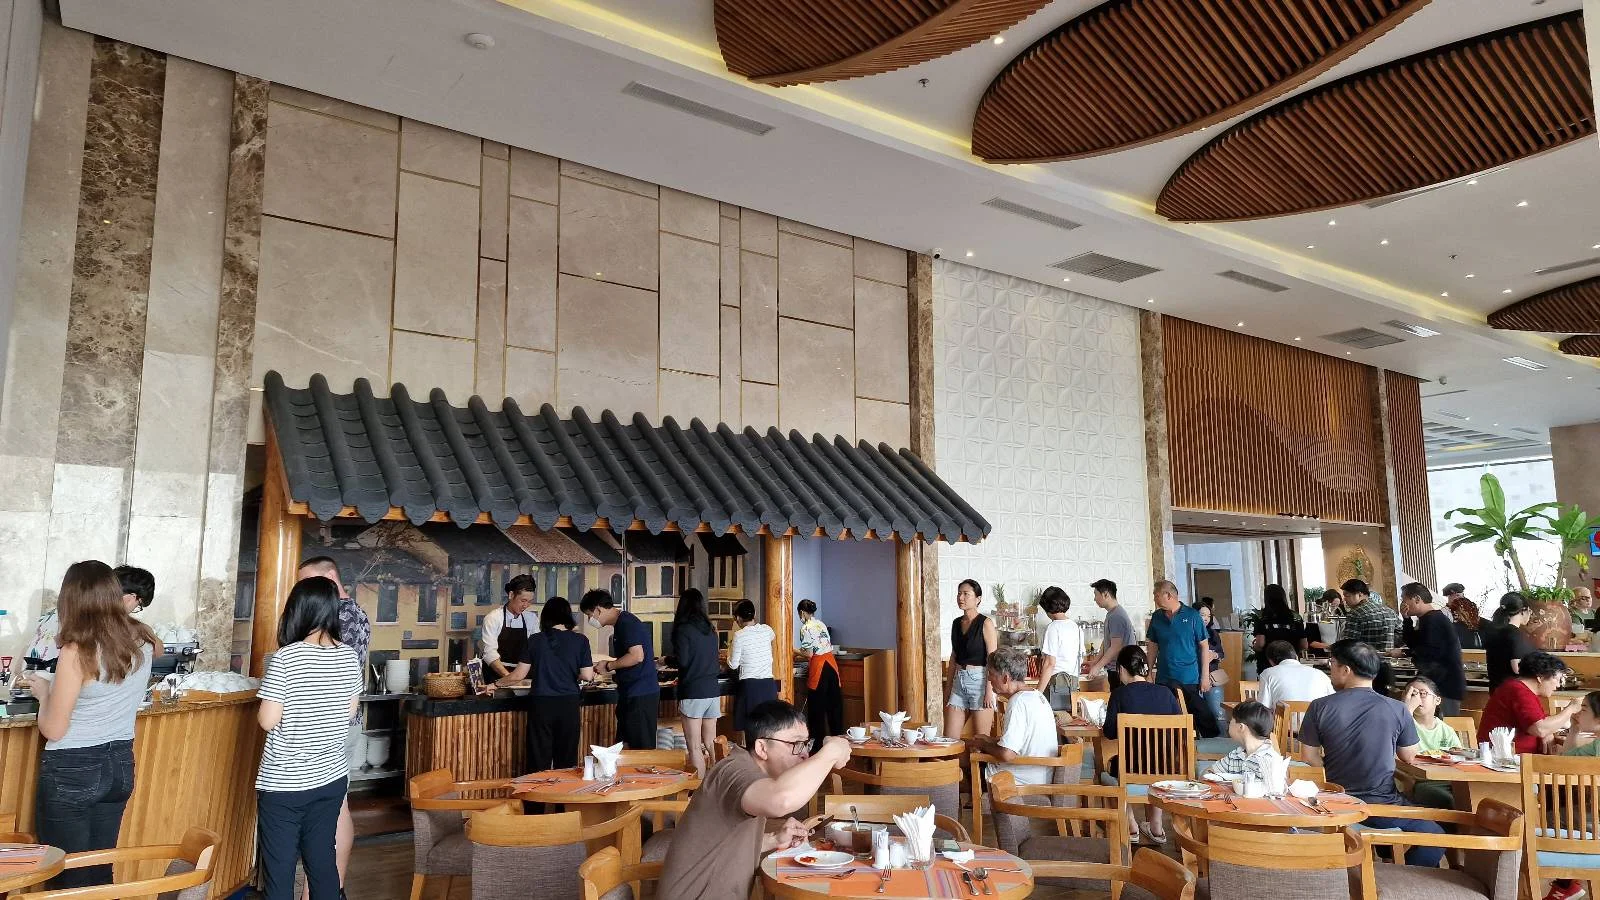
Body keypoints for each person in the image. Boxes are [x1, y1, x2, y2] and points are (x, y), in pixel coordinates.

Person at [19, 561, 157, 887]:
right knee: (99, 870)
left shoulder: (77, 649)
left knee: (66, 876)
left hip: (73, 768)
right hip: (120, 764)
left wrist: (43, 693)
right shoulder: (143, 641)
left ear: (71, 600)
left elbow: (54, 728)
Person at [657, 700, 852, 900]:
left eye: (806, 744)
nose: (804, 754)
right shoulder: (734, 770)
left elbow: (727, 845)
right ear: (762, 748)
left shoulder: (753, 772)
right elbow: (781, 800)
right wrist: (831, 752)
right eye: (795, 744)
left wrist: (774, 839)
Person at [254, 576, 363, 900]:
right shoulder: (347, 657)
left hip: (284, 784)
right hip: (330, 779)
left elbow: (267, 720)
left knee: (280, 870)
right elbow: (347, 713)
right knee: (322, 864)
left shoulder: (287, 658)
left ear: (297, 611)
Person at [1297, 639, 1445, 866]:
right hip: (1382, 805)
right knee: (1435, 833)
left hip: (1337, 805)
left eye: (1332, 664)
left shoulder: (1319, 706)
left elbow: (1309, 757)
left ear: (1346, 670)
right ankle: (1398, 879)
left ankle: (1381, 862)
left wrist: (1334, 780)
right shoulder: (1397, 709)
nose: (1330, 670)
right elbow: (1408, 756)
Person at [295, 556, 369, 896]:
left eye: (309, 582)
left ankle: (326, 888)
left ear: (330, 577)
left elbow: (335, 678)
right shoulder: (352, 613)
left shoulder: (343, 615)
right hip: (341, 722)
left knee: (331, 807)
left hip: (334, 724)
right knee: (334, 805)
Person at [493, 597, 593, 777]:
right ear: (568, 616)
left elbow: (518, 675)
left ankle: (535, 804)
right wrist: (570, 672)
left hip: (541, 705)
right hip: (568, 705)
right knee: (566, 760)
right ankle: (562, 804)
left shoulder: (535, 640)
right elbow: (587, 675)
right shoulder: (581, 641)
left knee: (538, 758)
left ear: (545, 617)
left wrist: (495, 684)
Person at [1102, 644, 1182, 844]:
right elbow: (1180, 730)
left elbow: (1110, 733)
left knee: (1114, 764)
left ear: (1121, 669)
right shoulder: (1166, 693)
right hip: (1167, 768)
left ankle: (1131, 825)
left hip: (1131, 768)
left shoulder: (1120, 694)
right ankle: (1156, 826)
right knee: (1156, 760)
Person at [23, 565, 154, 672]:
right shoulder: (98, 622)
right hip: (52, 691)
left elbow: (21, 664)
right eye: (139, 606)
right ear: (132, 597)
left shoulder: (50, 616)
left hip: (27, 686)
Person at [580, 589, 660, 749]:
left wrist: (609, 666)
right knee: (625, 747)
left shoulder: (626, 623)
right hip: (631, 693)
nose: (590, 619)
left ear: (598, 609)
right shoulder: (621, 624)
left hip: (640, 695)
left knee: (641, 750)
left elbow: (637, 656)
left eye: (589, 615)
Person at [969, 648, 1060, 785]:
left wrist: (982, 744)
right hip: (1040, 776)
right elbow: (1024, 741)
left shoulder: (1017, 702)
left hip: (1021, 780)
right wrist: (990, 740)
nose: (988, 678)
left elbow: (1007, 754)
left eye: (992, 674)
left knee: (963, 768)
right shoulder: (1038, 696)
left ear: (1005, 678)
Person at [1143, 580, 1218, 738]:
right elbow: (1153, 646)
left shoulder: (1192, 616)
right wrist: (1148, 672)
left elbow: (1204, 646)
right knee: (1167, 718)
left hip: (1188, 676)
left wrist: (1205, 676)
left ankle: (1201, 747)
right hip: (1164, 676)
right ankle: (1171, 751)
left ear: (1168, 595)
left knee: (1194, 715)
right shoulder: (1157, 617)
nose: (1154, 599)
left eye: (1156, 595)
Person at [1477, 651, 1580, 754]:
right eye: (1557, 679)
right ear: (1541, 677)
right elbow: (1540, 729)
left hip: (1515, 757)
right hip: (1505, 760)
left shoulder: (1518, 688)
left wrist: (1548, 731)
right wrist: (1571, 708)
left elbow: (1539, 723)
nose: (1558, 685)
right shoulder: (1519, 691)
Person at [1393, 583, 1465, 716]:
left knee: (1446, 728)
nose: (1402, 603)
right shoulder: (1426, 619)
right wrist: (1406, 619)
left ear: (1417, 599)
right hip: (1436, 682)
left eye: (1404, 599)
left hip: (1445, 685)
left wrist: (1404, 653)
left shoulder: (1434, 620)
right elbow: (1413, 642)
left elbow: (1430, 652)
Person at [672, 588, 721, 779]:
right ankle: (719, 786)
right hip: (712, 690)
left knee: (694, 747)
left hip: (693, 692)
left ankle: (699, 792)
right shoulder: (710, 629)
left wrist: (666, 661)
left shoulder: (683, 629)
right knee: (711, 743)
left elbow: (683, 661)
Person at [944, 579, 997, 739]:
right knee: (949, 739)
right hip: (958, 682)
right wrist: (947, 688)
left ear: (978, 599)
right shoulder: (956, 623)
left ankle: (981, 766)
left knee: (981, 740)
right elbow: (954, 656)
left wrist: (989, 691)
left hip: (980, 682)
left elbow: (992, 659)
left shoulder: (985, 623)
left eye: (966, 594)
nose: (961, 597)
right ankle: (952, 765)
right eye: (959, 593)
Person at [1402, 676, 1462, 809]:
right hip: (1419, 781)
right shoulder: (1404, 724)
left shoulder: (1446, 730)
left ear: (1437, 700)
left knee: (1471, 799)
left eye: (1422, 694)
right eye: (1411, 694)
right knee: (1449, 800)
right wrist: (1407, 711)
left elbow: (1459, 757)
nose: (1416, 699)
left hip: (1447, 780)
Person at [795, 598, 844, 740]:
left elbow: (809, 653)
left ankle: (817, 746)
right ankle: (838, 740)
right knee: (834, 706)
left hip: (819, 666)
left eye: (799, 614)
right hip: (832, 664)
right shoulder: (821, 624)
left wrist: (794, 651)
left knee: (817, 708)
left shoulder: (806, 628)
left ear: (803, 612)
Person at [727, 600, 777, 736]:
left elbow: (733, 664)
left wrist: (728, 652)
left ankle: (751, 756)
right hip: (768, 685)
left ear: (737, 618)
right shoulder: (767, 630)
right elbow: (772, 637)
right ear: (754, 614)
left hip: (750, 687)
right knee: (768, 728)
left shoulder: (739, 635)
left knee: (751, 730)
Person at [480, 573, 539, 679]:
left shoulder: (531, 619)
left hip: (522, 675)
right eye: (523, 600)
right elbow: (489, 653)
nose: (526, 606)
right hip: (496, 675)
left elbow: (536, 650)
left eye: (529, 602)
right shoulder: (493, 618)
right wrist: (509, 678)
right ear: (511, 595)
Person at [1206, 700, 1282, 782]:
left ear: (1241, 727)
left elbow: (1274, 791)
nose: (1228, 724)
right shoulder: (1237, 754)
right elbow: (1207, 774)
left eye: (1231, 721)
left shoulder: (1268, 759)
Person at [1034, 586, 1081, 712]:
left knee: (1052, 724)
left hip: (1056, 686)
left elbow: (1050, 663)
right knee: (1066, 724)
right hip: (1073, 686)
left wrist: (1038, 693)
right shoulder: (1075, 627)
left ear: (1047, 607)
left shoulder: (1053, 627)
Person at [1085, 579, 1136, 689]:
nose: (1094, 599)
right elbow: (1107, 642)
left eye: (1096, 595)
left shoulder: (1116, 616)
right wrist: (1095, 661)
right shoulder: (1112, 614)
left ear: (1105, 594)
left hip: (1121, 671)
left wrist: (1097, 667)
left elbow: (1115, 647)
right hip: (1115, 669)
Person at [1255, 639, 1333, 711]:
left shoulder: (1268, 674)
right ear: (1296, 656)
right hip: (1317, 724)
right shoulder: (1320, 674)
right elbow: (1333, 704)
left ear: (1271, 662)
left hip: (1284, 725)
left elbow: (1263, 709)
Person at [1483, 592, 1537, 692]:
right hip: (1512, 693)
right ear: (1523, 611)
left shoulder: (1495, 632)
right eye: (1529, 611)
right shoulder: (1515, 634)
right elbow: (1517, 667)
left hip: (1496, 691)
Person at [1340, 579, 1400, 651]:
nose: (1344, 599)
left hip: (1366, 660)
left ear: (1359, 594)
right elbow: (1402, 634)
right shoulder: (1389, 611)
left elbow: (1349, 644)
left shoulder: (1355, 613)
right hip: (1389, 659)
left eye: (1347, 595)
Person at [1196, 601, 1226, 725]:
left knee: (1218, 713)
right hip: (1194, 679)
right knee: (1199, 715)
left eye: (1208, 616)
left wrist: (1213, 655)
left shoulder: (1213, 634)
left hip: (1212, 678)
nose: (1206, 619)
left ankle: (1222, 740)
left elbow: (1222, 654)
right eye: (1202, 615)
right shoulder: (1189, 634)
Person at [1252, 584, 1304, 652]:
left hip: (1268, 660)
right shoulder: (1296, 617)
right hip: (1291, 659)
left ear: (1266, 598)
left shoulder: (1262, 616)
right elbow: (1304, 645)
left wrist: (1254, 647)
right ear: (1283, 597)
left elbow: (1260, 644)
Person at [1444, 585, 1484, 651]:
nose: (1459, 599)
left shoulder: (1469, 608)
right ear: (1449, 596)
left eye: (1460, 596)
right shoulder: (1444, 612)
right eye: (1456, 595)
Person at [1304, 589, 1341, 657]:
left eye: (1337, 606)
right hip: (1320, 655)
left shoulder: (1338, 618)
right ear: (1325, 604)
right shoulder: (1315, 618)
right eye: (1333, 606)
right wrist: (1329, 646)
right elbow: (1311, 642)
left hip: (1336, 654)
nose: (1335, 608)